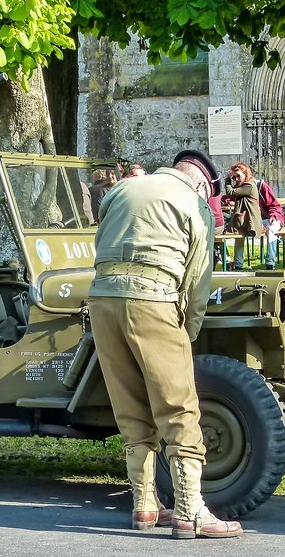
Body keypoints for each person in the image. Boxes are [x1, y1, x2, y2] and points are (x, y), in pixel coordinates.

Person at [88, 148, 241, 539]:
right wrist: (186, 331)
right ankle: (191, 510)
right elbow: (197, 280)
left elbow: (99, 245)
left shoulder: (122, 191)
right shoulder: (194, 203)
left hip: (103, 300)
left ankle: (144, 504)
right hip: (154, 299)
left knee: (129, 404)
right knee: (179, 406)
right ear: (204, 182)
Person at [223, 163, 263, 271]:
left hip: (251, 220)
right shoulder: (242, 185)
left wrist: (227, 180)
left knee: (223, 233)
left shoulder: (249, 185)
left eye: (238, 176)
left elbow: (230, 192)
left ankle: (233, 263)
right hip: (243, 219)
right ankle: (238, 264)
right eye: (233, 177)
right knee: (237, 237)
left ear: (246, 174)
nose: (236, 179)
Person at [252, 167, 285, 270]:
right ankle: (237, 264)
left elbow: (274, 205)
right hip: (256, 220)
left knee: (270, 229)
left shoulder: (262, 187)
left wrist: (273, 216)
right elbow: (228, 197)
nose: (237, 180)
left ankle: (270, 263)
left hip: (272, 217)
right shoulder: (242, 188)